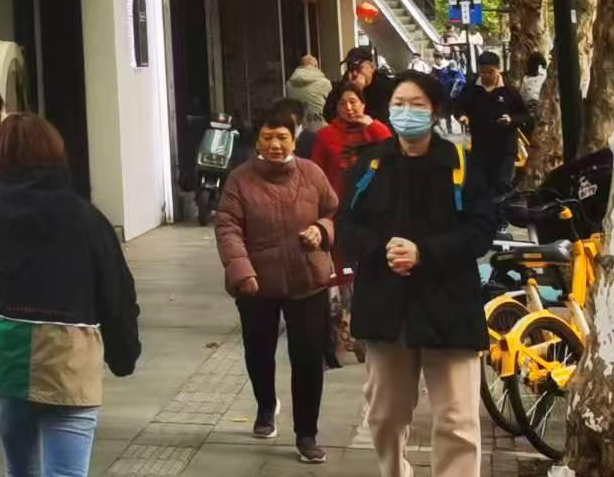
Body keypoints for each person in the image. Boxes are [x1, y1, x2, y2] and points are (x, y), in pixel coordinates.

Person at [0, 114, 140, 477]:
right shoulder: (88, 219)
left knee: (20, 470)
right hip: (69, 362)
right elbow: (117, 294)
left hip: (4, 359)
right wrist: (124, 354)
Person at [337, 72, 496, 477]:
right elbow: (345, 226)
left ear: (435, 111)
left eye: (417, 105)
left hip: (450, 307)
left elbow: (481, 230)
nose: (406, 112)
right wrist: (383, 249)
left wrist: (425, 252)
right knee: (385, 415)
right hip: (386, 308)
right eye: (399, 104)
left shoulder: (460, 164)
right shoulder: (371, 164)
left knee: (457, 421)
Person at [212, 105, 341, 463]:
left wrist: (321, 230)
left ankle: (306, 434)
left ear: (294, 139)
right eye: (267, 137)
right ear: (257, 141)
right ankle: (266, 405)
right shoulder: (239, 180)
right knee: (258, 350)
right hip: (257, 284)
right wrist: (242, 270)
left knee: (308, 358)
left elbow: (333, 211)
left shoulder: (312, 174)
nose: (275, 144)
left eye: (282, 137)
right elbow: (228, 227)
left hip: (307, 280)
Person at [452, 51, 535, 193]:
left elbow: (525, 115)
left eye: (490, 72)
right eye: (482, 72)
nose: (486, 75)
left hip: (505, 148)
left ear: (498, 69)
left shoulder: (509, 90)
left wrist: (511, 119)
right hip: (480, 147)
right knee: (479, 188)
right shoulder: (471, 89)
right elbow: (458, 107)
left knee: (501, 185)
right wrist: (462, 116)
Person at [310, 82, 391, 197]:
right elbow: (315, 174)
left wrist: (372, 125)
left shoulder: (374, 130)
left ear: (363, 104)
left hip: (373, 198)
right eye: (342, 104)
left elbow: (391, 149)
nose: (348, 108)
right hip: (337, 200)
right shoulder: (324, 135)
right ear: (337, 108)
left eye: (353, 102)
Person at [344, 50, 398, 122]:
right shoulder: (346, 82)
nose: (354, 73)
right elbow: (330, 112)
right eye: (350, 68)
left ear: (372, 67)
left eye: (358, 68)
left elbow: (380, 119)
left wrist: (358, 92)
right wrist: (350, 89)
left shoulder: (386, 86)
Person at [285, 53, 334, 127]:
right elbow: (332, 106)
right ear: (316, 66)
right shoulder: (325, 83)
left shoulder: (289, 84)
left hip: (299, 128)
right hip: (320, 127)